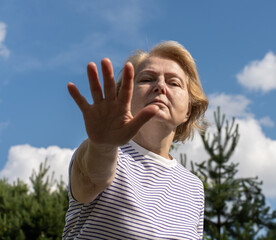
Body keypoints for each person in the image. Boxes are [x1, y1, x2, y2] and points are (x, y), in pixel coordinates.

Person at [62, 41, 208, 240]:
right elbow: (95, 175)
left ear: (188, 111)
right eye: (147, 79)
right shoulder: (106, 153)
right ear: (126, 96)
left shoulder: (193, 188)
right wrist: (103, 144)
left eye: (173, 82)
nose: (160, 87)